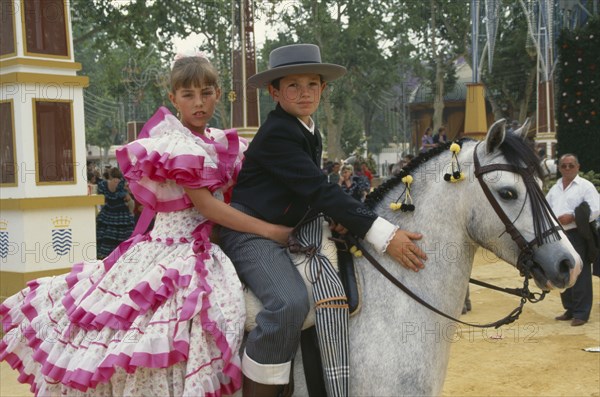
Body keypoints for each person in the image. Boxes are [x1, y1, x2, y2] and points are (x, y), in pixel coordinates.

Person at [0, 54, 292, 396]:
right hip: (173, 250)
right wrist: (270, 231)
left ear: (218, 93)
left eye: (206, 92)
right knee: (169, 331)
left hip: (211, 244)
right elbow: (208, 206)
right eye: (188, 95)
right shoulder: (175, 143)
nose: (198, 102)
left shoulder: (223, 141)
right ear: (173, 99)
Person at [219, 43, 426, 396]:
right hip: (249, 231)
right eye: (293, 86)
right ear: (274, 91)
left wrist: (336, 218)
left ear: (323, 88)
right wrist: (386, 236)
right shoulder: (279, 132)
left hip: (288, 227)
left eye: (312, 85)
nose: (305, 93)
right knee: (290, 303)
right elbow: (319, 189)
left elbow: (305, 191)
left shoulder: (305, 128)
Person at [546, 154, 599, 326]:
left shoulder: (585, 186)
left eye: (571, 165)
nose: (567, 168)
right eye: (564, 166)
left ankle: (582, 313)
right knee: (563, 271)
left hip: (578, 234)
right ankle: (569, 308)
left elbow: (596, 209)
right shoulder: (555, 188)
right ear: (559, 168)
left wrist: (574, 217)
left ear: (578, 167)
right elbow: (546, 209)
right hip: (559, 236)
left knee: (580, 272)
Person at [95, 166, 135, 259]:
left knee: (106, 235)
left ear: (109, 175)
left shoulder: (103, 185)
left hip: (107, 212)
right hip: (121, 214)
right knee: (123, 237)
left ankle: (105, 256)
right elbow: (129, 199)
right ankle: (121, 255)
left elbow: (102, 199)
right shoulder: (121, 184)